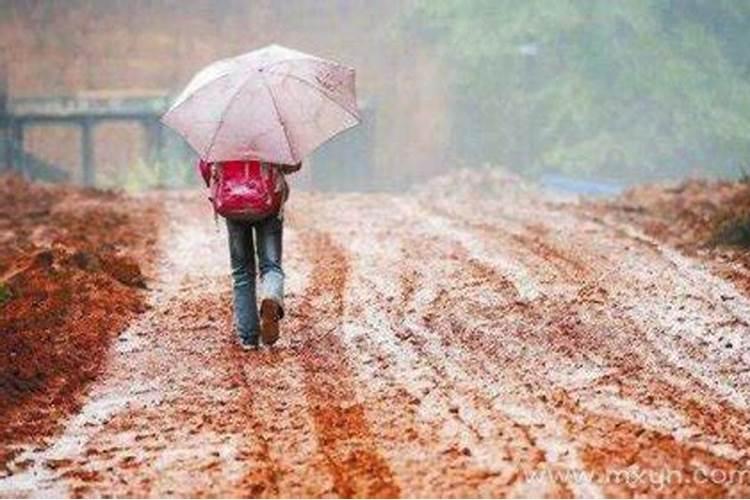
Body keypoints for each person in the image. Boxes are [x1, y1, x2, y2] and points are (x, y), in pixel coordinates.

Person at [198, 159, 301, 349]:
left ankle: (248, 337)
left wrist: (216, 180)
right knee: (271, 266)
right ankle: (270, 296)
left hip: (232, 202)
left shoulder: (221, 134)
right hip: (268, 202)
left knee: (241, 272)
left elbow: (206, 166)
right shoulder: (271, 131)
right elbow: (292, 163)